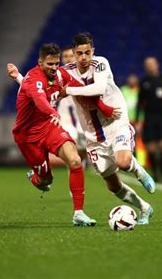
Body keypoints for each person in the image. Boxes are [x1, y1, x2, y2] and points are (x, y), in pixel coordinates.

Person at [10, 33, 156, 225]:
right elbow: (37, 88)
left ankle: (138, 171)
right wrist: (20, 77)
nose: (83, 58)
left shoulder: (100, 63)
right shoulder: (64, 72)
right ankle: (144, 208)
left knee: (120, 161)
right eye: (79, 54)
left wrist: (94, 103)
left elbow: (99, 88)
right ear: (72, 54)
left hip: (114, 123)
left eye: (87, 53)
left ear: (93, 51)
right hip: (93, 136)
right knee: (112, 185)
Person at [9, 43, 115, 227]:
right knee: (45, 180)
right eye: (49, 64)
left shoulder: (60, 75)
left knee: (74, 160)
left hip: (49, 127)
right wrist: (54, 113)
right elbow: (41, 100)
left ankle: (79, 214)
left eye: (56, 63)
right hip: (28, 137)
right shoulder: (33, 78)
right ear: (40, 62)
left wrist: (104, 108)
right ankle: (36, 177)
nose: (54, 68)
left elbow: (82, 90)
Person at [135, 56, 162, 182]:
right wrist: (138, 120)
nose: (150, 66)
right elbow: (140, 102)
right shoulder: (143, 82)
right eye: (147, 64)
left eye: (152, 63)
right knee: (151, 147)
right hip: (149, 117)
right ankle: (155, 173)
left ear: (157, 64)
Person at [56, 46, 88, 167]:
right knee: (71, 145)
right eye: (65, 56)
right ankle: (75, 166)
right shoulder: (57, 75)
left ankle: (81, 162)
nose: (68, 59)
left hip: (81, 114)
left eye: (71, 56)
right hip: (64, 116)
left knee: (82, 148)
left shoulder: (83, 74)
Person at [121, 74, 148, 166]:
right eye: (130, 79)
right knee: (125, 141)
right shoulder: (123, 90)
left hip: (137, 120)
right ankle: (126, 160)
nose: (132, 81)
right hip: (125, 120)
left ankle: (141, 161)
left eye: (134, 79)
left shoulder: (140, 91)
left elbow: (142, 107)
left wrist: (141, 120)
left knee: (138, 140)